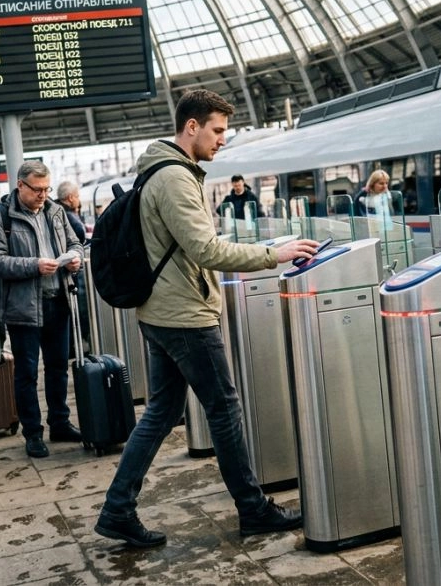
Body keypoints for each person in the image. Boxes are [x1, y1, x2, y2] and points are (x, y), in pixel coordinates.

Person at [94, 89, 318, 548]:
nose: (221, 141)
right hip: (184, 315)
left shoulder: (160, 169)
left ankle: (118, 509)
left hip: (160, 309)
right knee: (224, 409)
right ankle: (253, 509)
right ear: (191, 127)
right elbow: (205, 249)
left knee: (161, 411)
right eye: (217, 131)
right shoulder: (175, 177)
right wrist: (273, 254)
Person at [0, 161, 85, 459]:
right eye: (37, 189)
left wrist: (75, 257)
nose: (43, 195)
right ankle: (33, 433)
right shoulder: (0, 218)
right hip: (23, 307)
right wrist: (34, 265)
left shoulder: (56, 212)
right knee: (26, 373)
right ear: (20, 186)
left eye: (46, 189)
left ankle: (60, 423)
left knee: (57, 368)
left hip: (58, 301)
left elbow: (76, 243)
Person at [55, 181, 90, 356]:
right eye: (77, 196)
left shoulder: (57, 211)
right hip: (71, 274)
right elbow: (79, 237)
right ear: (70, 198)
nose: (78, 200)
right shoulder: (67, 215)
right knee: (75, 311)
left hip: (67, 270)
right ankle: (74, 347)